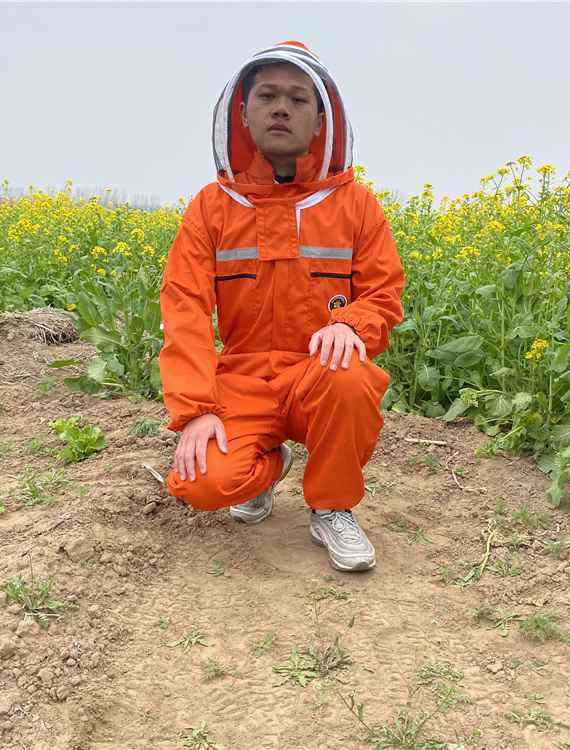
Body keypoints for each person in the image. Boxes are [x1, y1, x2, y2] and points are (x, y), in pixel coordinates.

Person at [158, 40, 405, 571]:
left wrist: (351, 324)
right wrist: (196, 412)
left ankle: (332, 506)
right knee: (200, 483)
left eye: (298, 99)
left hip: (318, 374)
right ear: (243, 113)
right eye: (267, 96)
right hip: (242, 379)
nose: (281, 108)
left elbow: (383, 293)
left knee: (350, 376)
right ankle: (268, 464)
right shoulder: (211, 207)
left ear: (320, 120)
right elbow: (185, 310)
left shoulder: (356, 204)